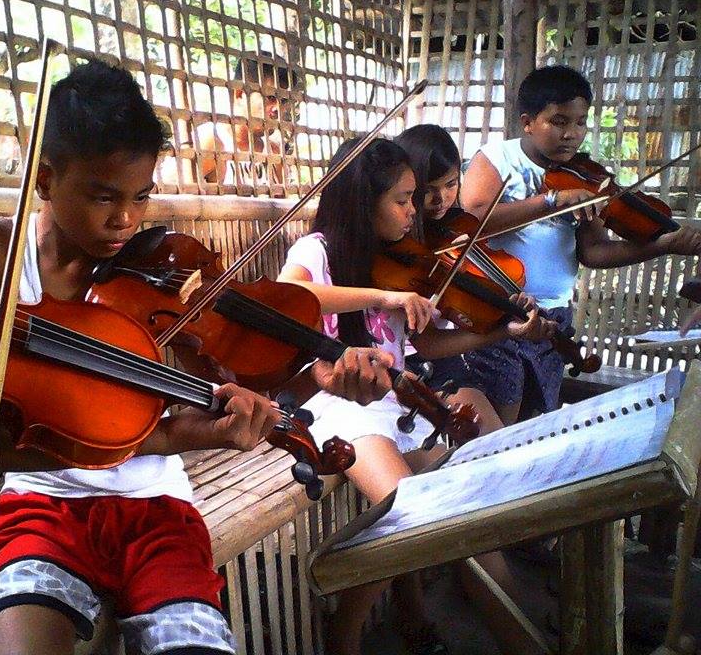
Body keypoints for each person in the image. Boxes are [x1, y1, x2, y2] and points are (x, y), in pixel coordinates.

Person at [0, 60, 394, 655]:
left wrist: (319, 377)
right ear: (45, 180)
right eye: (104, 197)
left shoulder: (159, 276)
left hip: (156, 507)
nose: (126, 219)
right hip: (40, 501)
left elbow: (232, 380)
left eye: (140, 196)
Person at [277, 137, 553, 654]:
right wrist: (385, 296)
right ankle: (345, 636)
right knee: (414, 513)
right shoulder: (317, 250)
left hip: (399, 400)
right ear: (364, 202)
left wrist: (501, 333)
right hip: (336, 406)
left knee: (456, 507)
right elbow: (293, 295)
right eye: (402, 200)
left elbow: (428, 342)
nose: (413, 212)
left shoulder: (395, 258)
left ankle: (524, 638)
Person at [461, 64, 701, 424]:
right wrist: (551, 201)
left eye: (580, 122)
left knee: (539, 420)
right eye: (558, 122)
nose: (571, 134)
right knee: (499, 422)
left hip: (554, 318)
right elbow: (472, 220)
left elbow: (595, 252)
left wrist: (662, 244)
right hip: (500, 311)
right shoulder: (497, 159)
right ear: (528, 122)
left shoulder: (587, 178)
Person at [394, 124, 508, 426]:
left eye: (450, 184)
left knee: (494, 434)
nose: (441, 199)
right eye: (426, 190)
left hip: (443, 361)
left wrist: (507, 304)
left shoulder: (458, 229)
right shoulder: (396, 243)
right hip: (406, 362)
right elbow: (426, 343)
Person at [194, 52, 304, 186]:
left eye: (283, 100)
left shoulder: (274, 152)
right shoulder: (212, 142)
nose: (278, 108)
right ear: (240, 94)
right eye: (270, 98)